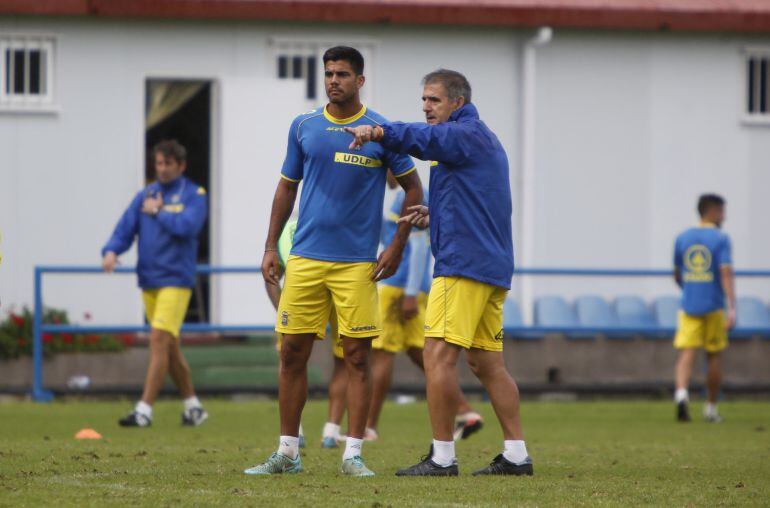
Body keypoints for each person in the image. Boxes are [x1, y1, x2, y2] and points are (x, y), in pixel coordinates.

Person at [244, 46, 423, 477]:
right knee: (291, 353)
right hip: (304, 259)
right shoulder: (305, 126)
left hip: (357, 265)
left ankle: (353, 454)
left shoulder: (382, 131)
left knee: (359, 358)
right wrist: (271, 246)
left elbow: (415, 190)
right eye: (328, 73)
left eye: (343, 74)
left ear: (360, 80)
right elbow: (286, 189)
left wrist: (397, 243)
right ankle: (287, 452)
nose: (333, 80)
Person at [346, 69, 532, 476]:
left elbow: (425, 141)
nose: (427, 108)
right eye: (424, 101)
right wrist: (436, 214)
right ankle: (517, 454)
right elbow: (481, 203)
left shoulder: (462, 136)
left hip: (463, 267)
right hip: (490, 266)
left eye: (434, 100)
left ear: (457, 104)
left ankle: (442, 457)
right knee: (487, 365)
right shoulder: (479, 141)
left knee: (436, 356)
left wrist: (379, 131)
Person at [366, 172, 483, 442]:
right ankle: (465, 412)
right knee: (423, 354)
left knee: (382, 354)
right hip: (412, 286)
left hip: (399, 287)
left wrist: (408, 293)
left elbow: (418, 246)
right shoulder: (403, 196)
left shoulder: (409, 197)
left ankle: (368, 427)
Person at [102, 140, 208, 428]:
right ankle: (193, 407)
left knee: (158, 341)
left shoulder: (194, 194)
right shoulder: (146, 195)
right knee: (169, 347)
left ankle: (144, 410)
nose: (161, 169)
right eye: (158, 164)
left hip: (176, 280)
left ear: (181, 165)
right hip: (148, 280)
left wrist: (160, 212)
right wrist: (111, 251)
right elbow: (125, 227)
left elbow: (189, 227)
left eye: (167, 164)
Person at [266, 219, 348, 448]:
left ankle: (330, 431)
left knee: (347, 358)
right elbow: (270, 275)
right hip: (310, 294)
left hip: (340, 292)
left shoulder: (296, 226)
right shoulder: (290, 229)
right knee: (291, 358)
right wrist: (283, 308)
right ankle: (297, 432)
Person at [672, 194, 735, 423]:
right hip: (714, 305)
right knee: (714, 355)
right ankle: (710, 408)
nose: (725, 216)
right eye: (722, 211)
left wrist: (689, 288)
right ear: (713, 211)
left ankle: (681, 394)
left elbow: (677, 274)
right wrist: (732, 306)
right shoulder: (720, 238)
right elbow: (725, 272)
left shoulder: (683, 237)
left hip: (689, 304)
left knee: (687, 352)